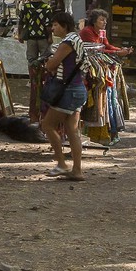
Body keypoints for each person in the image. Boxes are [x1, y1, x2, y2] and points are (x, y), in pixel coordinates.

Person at [37, 11, 88, 182]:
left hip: (68, 91)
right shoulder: (77, 39)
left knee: (48, 124)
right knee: (72, 131)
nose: (52, 28)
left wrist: (48, 63)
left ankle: (61, 163)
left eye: (55, 25)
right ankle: (77, 170)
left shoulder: (67, 42)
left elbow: (51, 64)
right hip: (78, 89)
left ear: (64, 26)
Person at [18, 0, 54, 69]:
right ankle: (43, 76)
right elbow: (48, 25)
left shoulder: (26, 7)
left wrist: (19, 35)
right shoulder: (46, 7)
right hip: (43, 38)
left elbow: (21, 22)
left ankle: (33, 76)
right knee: (46, 59)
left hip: (31, 38)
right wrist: (50, 37)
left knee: (31, 61)